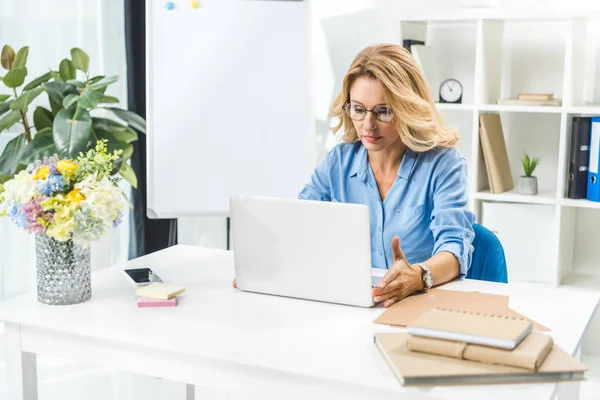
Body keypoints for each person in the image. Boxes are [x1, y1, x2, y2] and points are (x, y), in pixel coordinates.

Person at [234, 43, 475, 307]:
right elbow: (297, 224)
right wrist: (265, 267)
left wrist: (419, 275)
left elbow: (453, 248)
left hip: (420, 303)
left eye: (383, 111)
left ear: (407, 108)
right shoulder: (339, 162)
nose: (368, 125)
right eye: (358, 109)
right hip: (353, 304)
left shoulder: (443, 164)